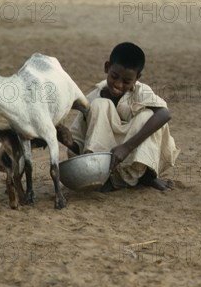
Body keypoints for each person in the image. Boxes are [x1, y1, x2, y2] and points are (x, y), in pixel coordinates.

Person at [57, 42, 179, 192]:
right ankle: (103, 177)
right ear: (107, 67)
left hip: (132, 156)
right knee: (100, 105)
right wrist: (68, 142)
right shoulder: (93, 97)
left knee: (149, 115)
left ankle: (147, 177)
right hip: (106, 163)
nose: (119, 84)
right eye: (114, 77)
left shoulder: (140, 91)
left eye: (127, 81)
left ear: (137, 78)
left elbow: (164, 114)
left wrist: (126, 147)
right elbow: (83, 142)